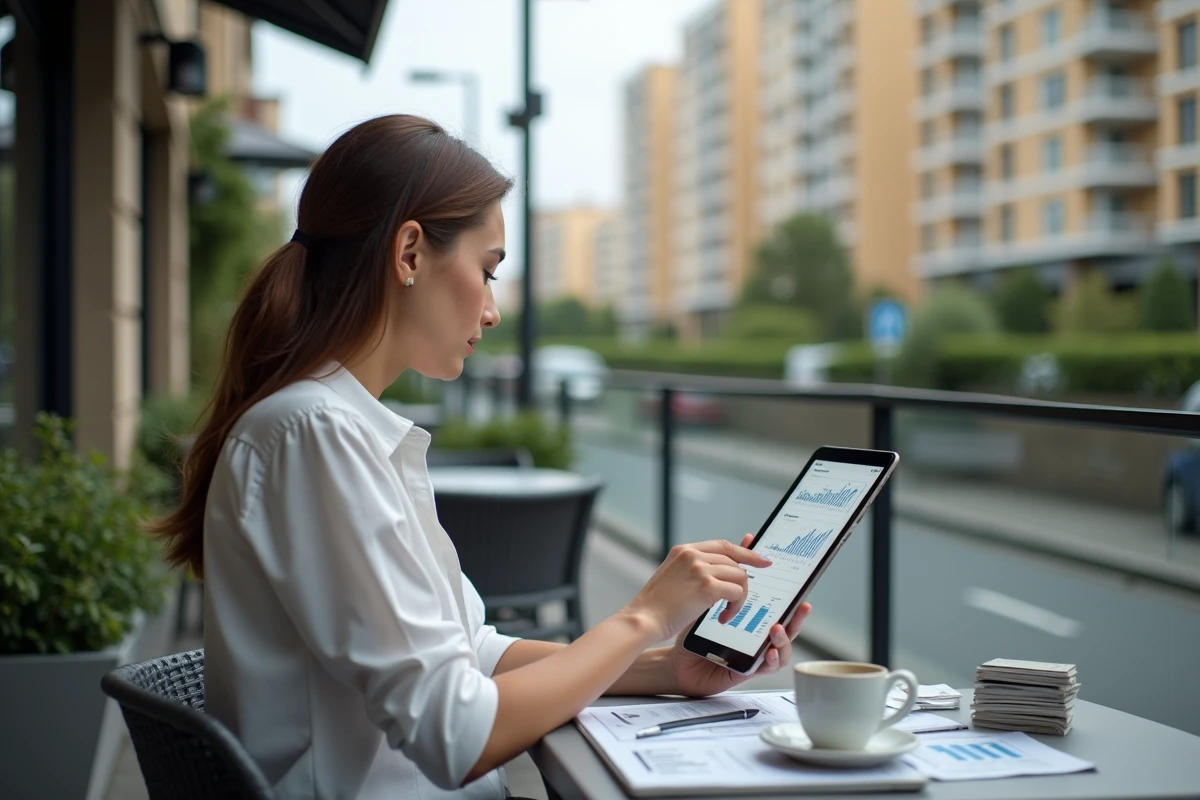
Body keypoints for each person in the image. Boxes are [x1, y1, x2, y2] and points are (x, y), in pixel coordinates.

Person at [152, 114, 811, 800]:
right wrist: (641, 615)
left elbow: (476, 653)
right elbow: (455, 735)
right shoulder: (315, 433)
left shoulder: (337, 427)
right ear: (409, 253)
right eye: (488, 271)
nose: (492, 310)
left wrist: (667, 668)